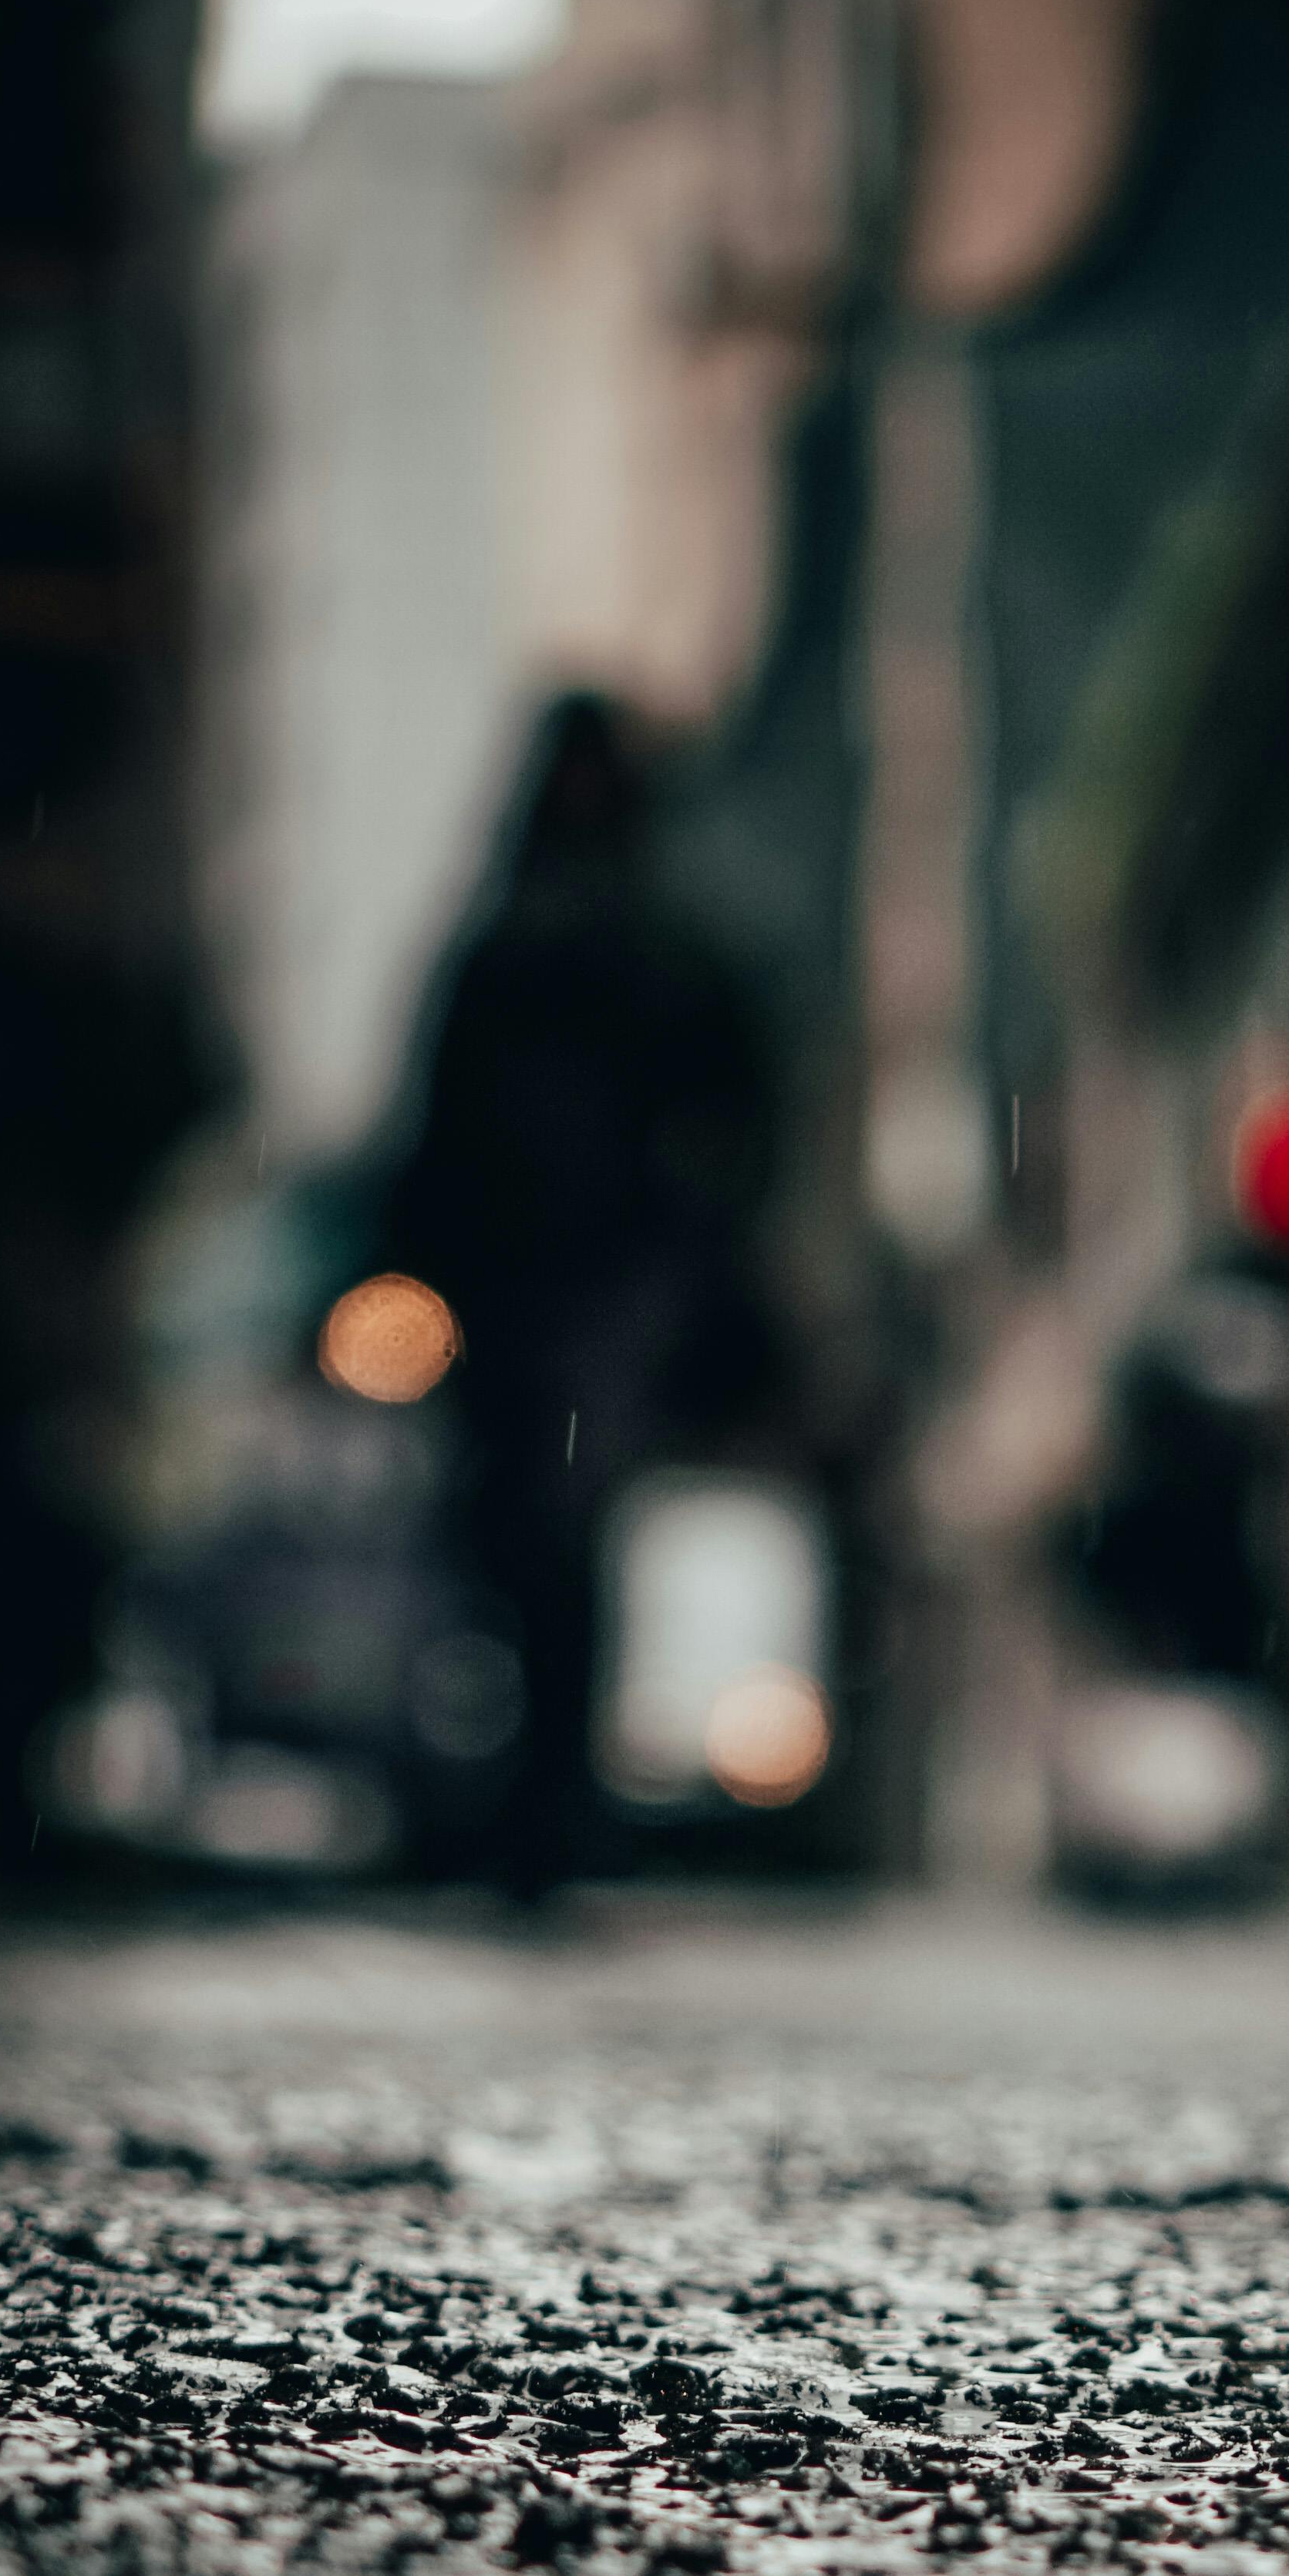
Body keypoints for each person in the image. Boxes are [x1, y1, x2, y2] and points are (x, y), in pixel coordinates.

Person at [380, 695, 782, 1895]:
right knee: (521, 1539)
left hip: (604, 1296)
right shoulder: (522, 957)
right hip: (526, 1296)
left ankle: (548, 1791)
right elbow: (438, 1139)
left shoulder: (649, 957)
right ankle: (534, 1786)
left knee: (557, 1533)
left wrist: (692, 1256)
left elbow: (738, 1128)